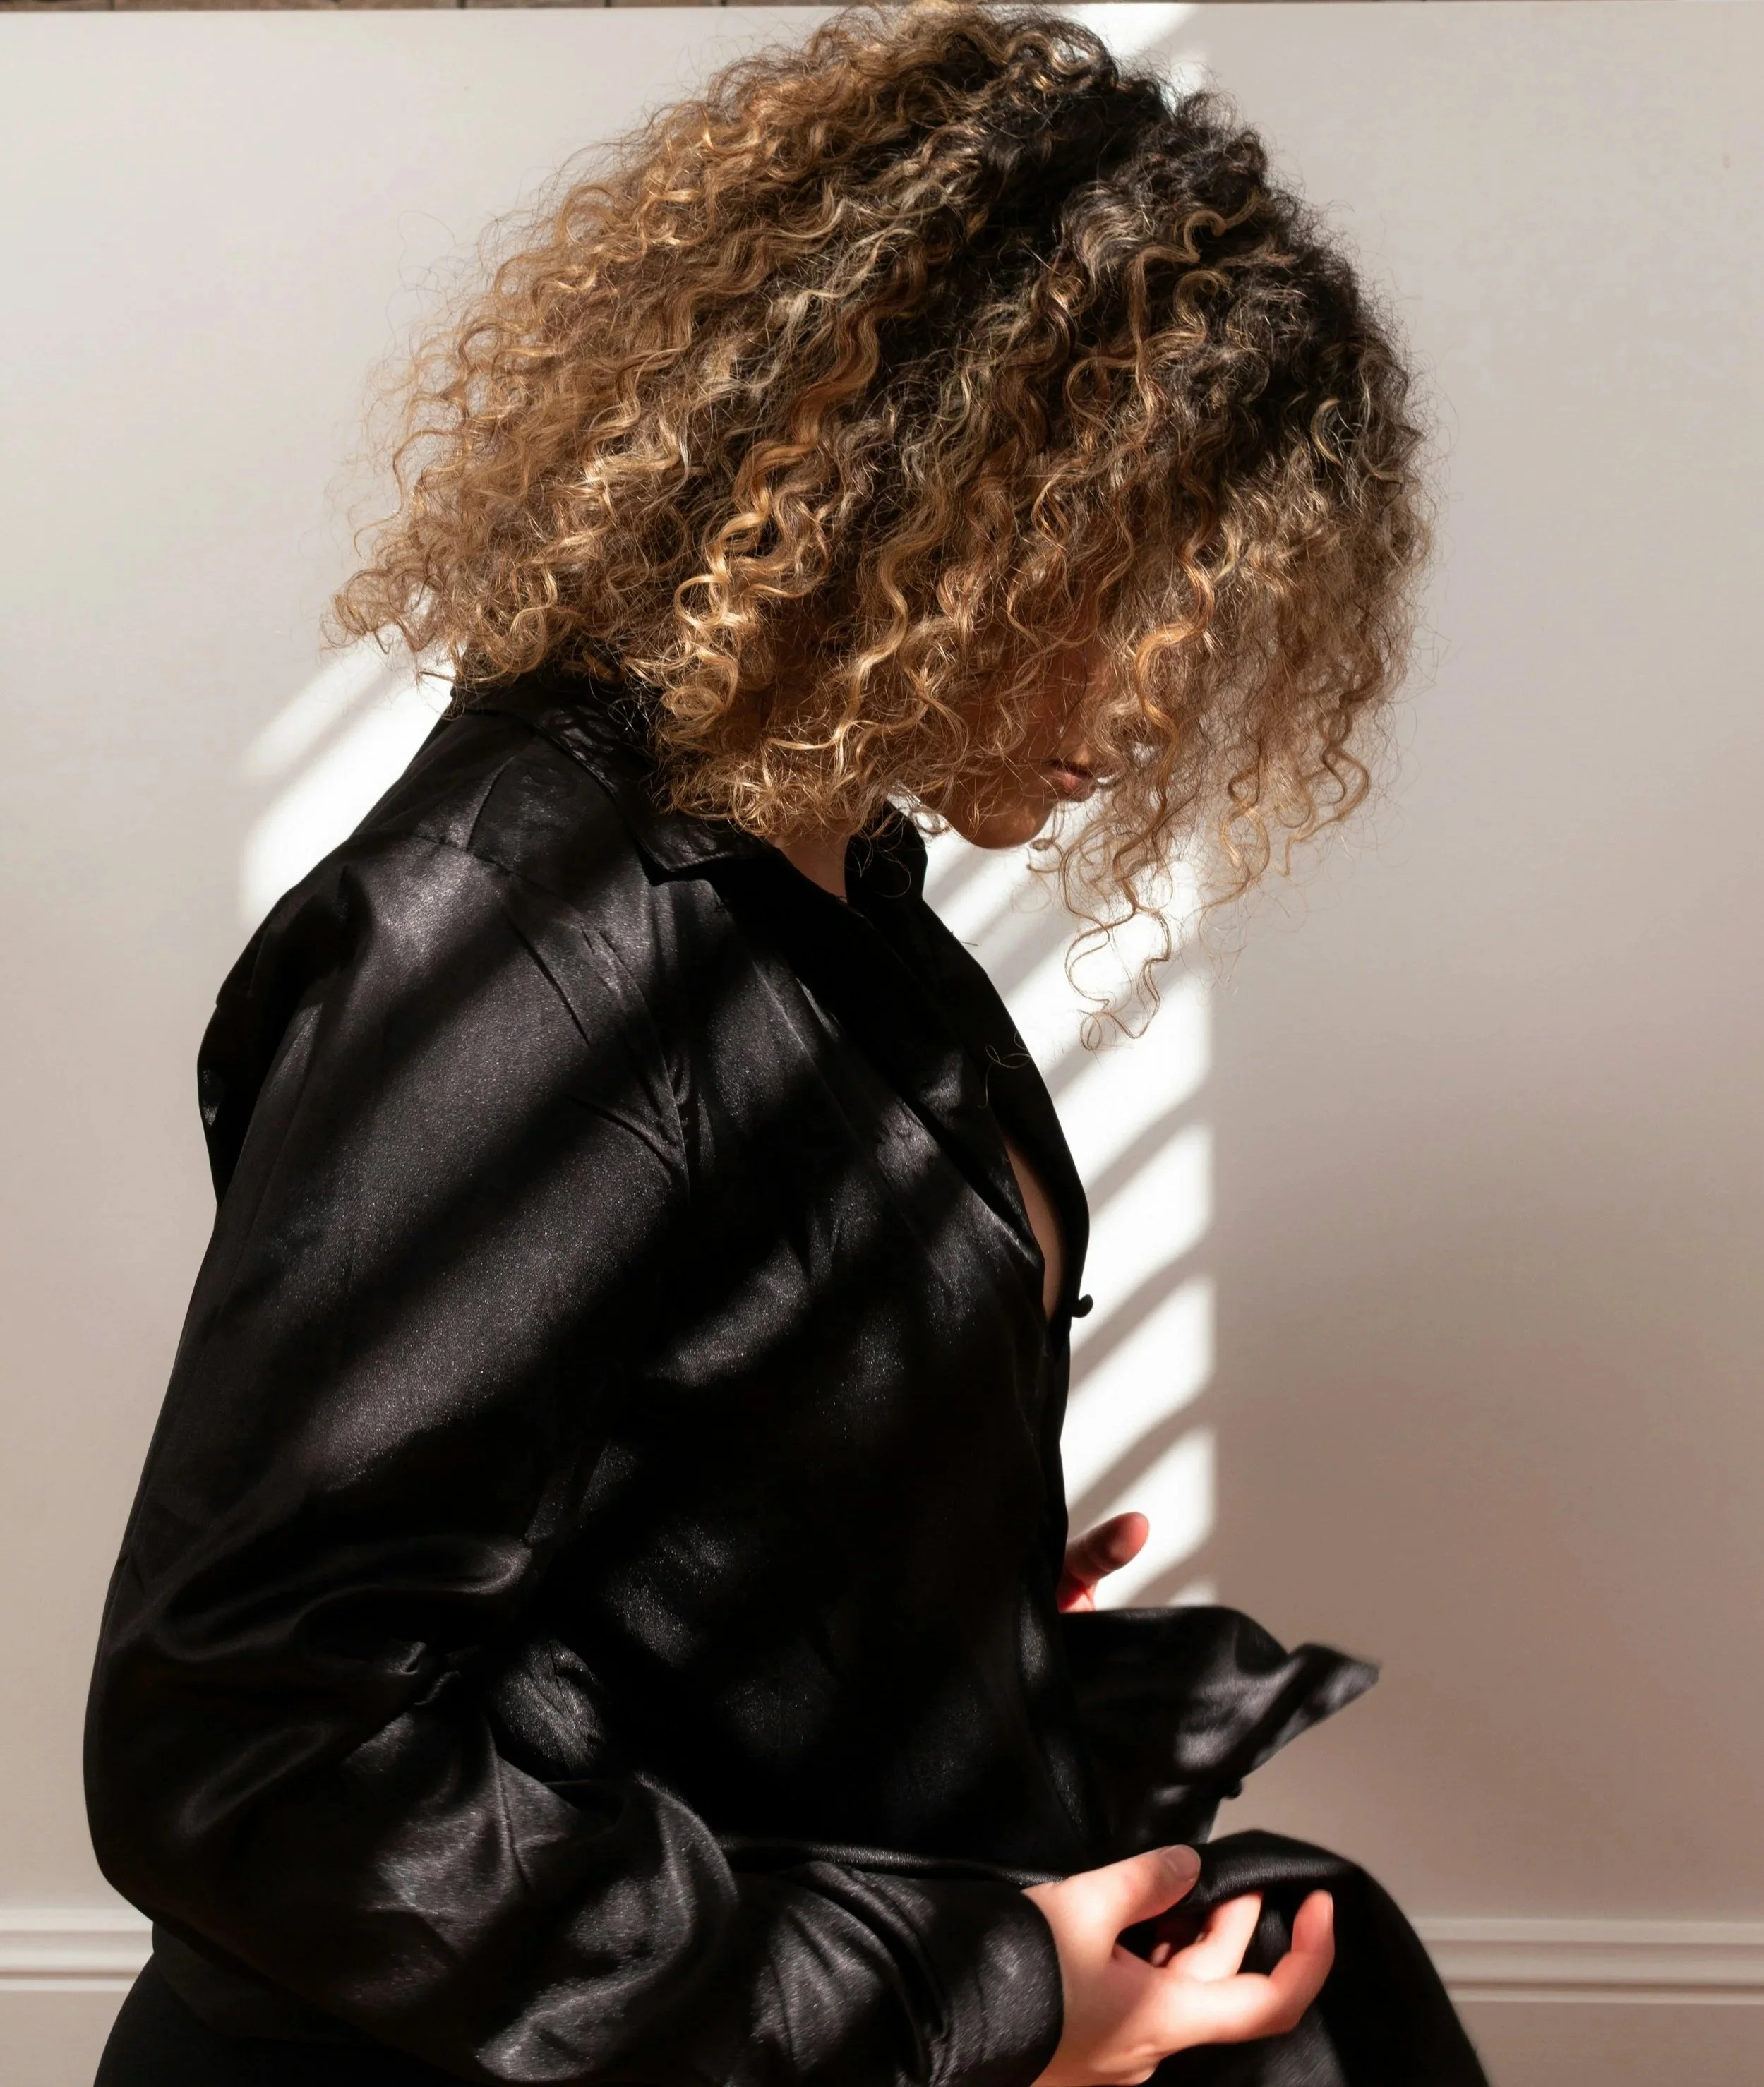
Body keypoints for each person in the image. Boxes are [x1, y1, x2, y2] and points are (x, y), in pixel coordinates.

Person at [85, 8, 1483, 2083]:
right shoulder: (519, 951)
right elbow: (248, 1748)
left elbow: (644, 1477)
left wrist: (922, 1558)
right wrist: (996, 2001)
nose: (1170, 682)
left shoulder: (849, 911)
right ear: (911, 479)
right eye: (1133, 577)